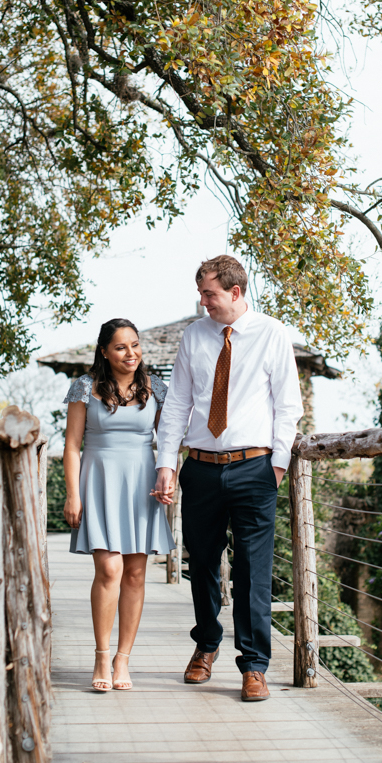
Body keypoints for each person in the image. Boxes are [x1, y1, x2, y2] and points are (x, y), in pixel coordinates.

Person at [154, 255, 303, 702]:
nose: (203, 303)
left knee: (253, 571)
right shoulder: (193, 337)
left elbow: (288, 405)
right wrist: (167, 461)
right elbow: (178, 403)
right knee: (200, 562)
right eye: (201, 294)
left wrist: (275, 466)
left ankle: (254, 665)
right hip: (199, 467)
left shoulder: (272, 334)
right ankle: (206, 643)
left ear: (235, 293)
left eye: (210, 295)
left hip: (254, 468)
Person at [62, 318, 175, 693]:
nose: (131, 354)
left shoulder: (155, 387)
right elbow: (72, 446)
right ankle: (100, 654)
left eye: (135, 345)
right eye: (122, 347)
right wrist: (73, 494)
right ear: (104, 352)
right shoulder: (84, 388)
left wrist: (168, 475)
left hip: (142, 485)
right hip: (98, 483)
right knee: (109, 570)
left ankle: (123, 659)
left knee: (136, 574)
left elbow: (170, 440)